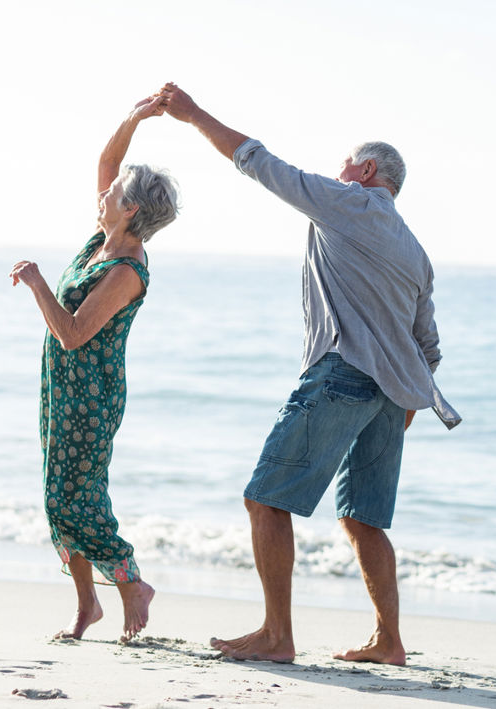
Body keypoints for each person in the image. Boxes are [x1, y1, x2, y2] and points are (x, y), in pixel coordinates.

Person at [158, 82, 460, 665]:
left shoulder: (348, 201)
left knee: (265, 500)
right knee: (363, 518)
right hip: (391, 397)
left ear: (366, 169)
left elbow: (260, 163)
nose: (337, 170)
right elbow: (429, 345)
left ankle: (277, 635)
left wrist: (192, 114)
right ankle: (389, 641)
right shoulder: (416, 250)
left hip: (342, 374)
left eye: (345, 163)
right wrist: (403, 408)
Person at [9, 96, 179, 643]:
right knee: (58, 495)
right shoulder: (101, 240)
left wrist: (37, 283)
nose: (102, 193)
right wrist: (133, 119)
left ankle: (130, 581)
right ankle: (87, 607)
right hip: (60, 386)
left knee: (71, 498)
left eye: (114, 193)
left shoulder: (127, 267)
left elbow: (75, 333)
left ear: (130, 210)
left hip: (91, 394)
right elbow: (107, 168)